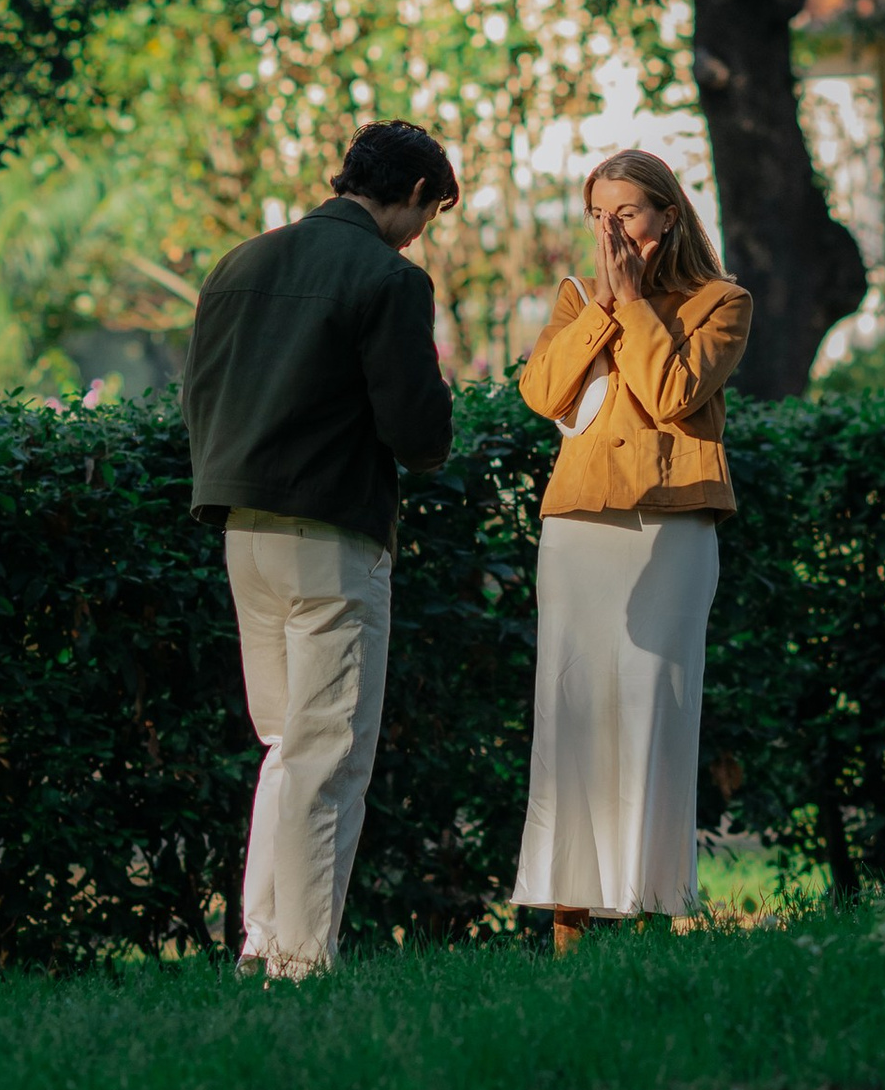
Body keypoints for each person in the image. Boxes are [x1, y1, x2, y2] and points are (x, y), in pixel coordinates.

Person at [183, 121, 459, 977]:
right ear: (414, 193)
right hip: (332, 531)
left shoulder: (241, 262)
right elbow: (419, 435)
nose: (423, 234)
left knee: (287, 746)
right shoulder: (389, 279)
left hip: (239, 524)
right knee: (330, 751)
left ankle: (262, 942)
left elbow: (199, 396)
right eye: (431, 214)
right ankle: (303, 962)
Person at [511, 149, 753, 941]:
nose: (608, 230)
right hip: (578, 527)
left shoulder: (722, 302)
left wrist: (636, 300)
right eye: (597, 216)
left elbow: (673, 393)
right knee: (571, 708)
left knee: (657, 710)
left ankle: (650, 914)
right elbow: (543, 391)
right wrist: (603, 308)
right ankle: (568, 921)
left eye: (626, 213)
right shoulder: (578, 298)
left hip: (672, 523)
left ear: (667, 216)